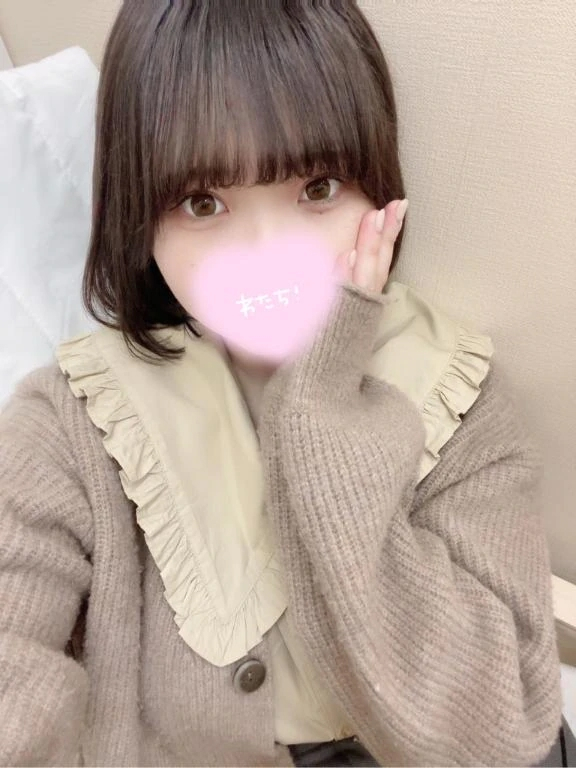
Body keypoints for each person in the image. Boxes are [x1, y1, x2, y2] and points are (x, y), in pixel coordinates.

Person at [0, 1, 564, 766]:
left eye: (318, 188)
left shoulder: (457, 395)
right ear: (140, 218)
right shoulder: (74, 419)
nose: (267, 253)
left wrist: (322, 416)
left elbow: (500, 731)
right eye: (204, 203)